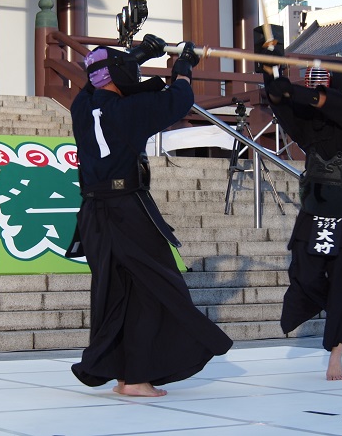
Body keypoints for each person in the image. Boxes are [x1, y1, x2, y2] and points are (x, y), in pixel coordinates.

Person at [69, 35, 233, 397]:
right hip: (127, 209)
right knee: (155, 288)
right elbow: (179, 99)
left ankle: (126, 376)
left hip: (94, 215)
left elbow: (96, 79)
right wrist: (185, 67)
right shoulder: (127, 112)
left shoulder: (82, 105)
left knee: (116, 293)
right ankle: (136, 377)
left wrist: (139, 54)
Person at [261, 59, 342, 380]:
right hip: (315, 214)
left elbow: (329, 102)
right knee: (305, 275)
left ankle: (336, 353)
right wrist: (272, 76)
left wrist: (300, 93)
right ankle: (338, 306)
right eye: (312, 82)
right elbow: (282, 104)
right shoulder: (310, 124)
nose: (316, 88)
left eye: (321, 82)